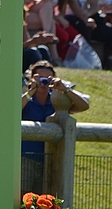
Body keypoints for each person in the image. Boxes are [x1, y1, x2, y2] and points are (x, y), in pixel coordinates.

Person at [21, 61, 89, 195]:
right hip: (26, 159)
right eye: (39, 77)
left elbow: (84, 106)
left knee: (47, 199)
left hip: (50, 160)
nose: (43, 81)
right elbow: (12, 111)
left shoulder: (58, 101)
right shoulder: (27, 99)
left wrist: (65, 90)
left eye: (47, 78)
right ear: (32, 78)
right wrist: (31, 91)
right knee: (22, 199)